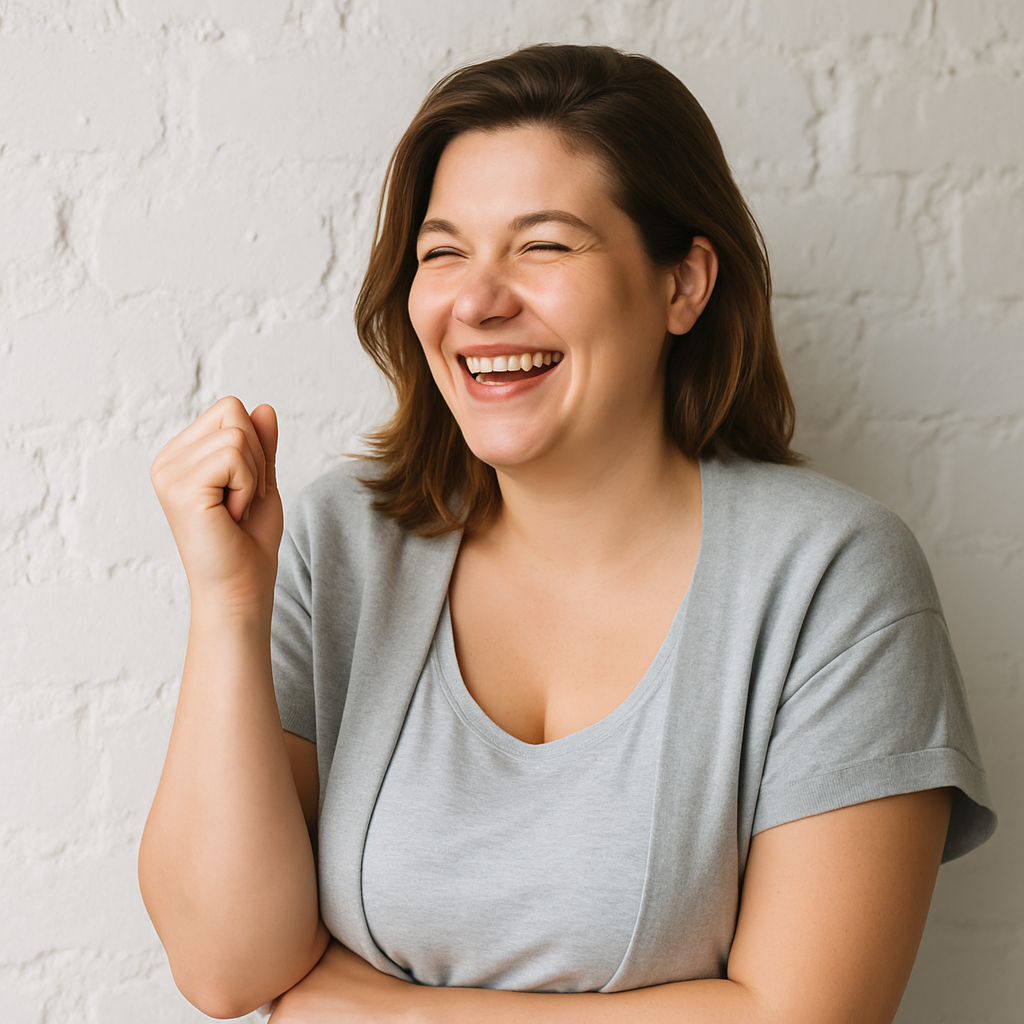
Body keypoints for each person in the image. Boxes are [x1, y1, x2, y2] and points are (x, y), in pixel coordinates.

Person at [140, 44, 996, 1023]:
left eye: (544, 245)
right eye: (442, 251)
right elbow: (225, 967)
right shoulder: (340, 540)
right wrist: (228, 603)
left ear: (683, 284)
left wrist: (392, 1011)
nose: (478, 299)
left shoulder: (832, 581)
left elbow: (804, 1016)